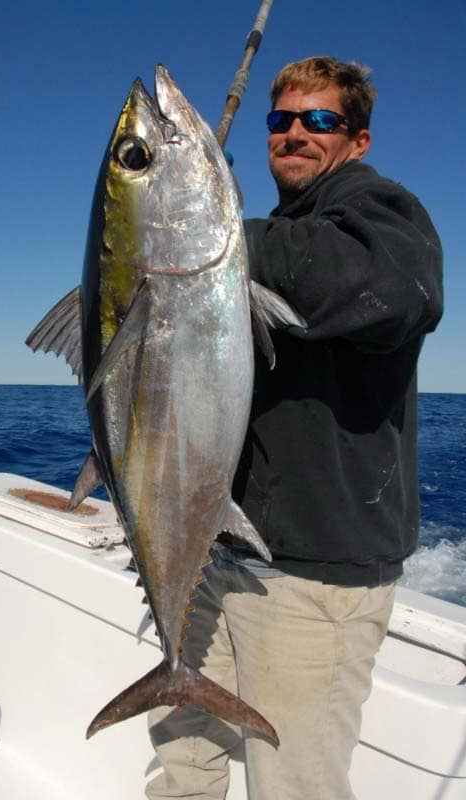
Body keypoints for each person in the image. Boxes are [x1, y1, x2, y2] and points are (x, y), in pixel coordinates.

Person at [146, 56, 443, 800]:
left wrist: (200, 230)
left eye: (320, 121)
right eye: (282, 120)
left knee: (293, 787)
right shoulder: (261, 237)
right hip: (216, 554)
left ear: (358, 140)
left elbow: (389, 290)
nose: (296, 134)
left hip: (314, 580)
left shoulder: (383, 212)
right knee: (184, 763)